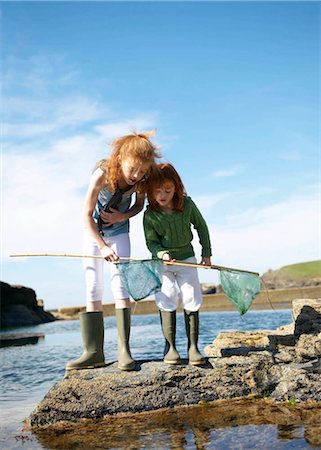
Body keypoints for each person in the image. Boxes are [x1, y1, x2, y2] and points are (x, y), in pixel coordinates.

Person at [66, 131, 160, 371]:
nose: (137, 175)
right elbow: (86, 216)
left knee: (120, 285)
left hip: (119, 232)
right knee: (93, 286)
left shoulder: (141, 181)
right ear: (120, 159)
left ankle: (124, 350)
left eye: (143, 171)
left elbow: (139, 206)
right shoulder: (102, 174)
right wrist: (102, 246)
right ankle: (93, 352)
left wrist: (122, 215)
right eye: (133, 169)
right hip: (94, 234)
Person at [143, 163, 212, 366]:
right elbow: (151, 242)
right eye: (157, 191)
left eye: (168, 190)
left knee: (191, 297)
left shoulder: (187, 205)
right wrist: (161, 253)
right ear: (150, 191)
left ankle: (193, 347)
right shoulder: (149, 215)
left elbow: (202, 227)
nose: (163, 195)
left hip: (187, 261)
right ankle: (171, 347)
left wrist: (206, 254)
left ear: (176, 188)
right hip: (163, 264)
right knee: (168, 295)